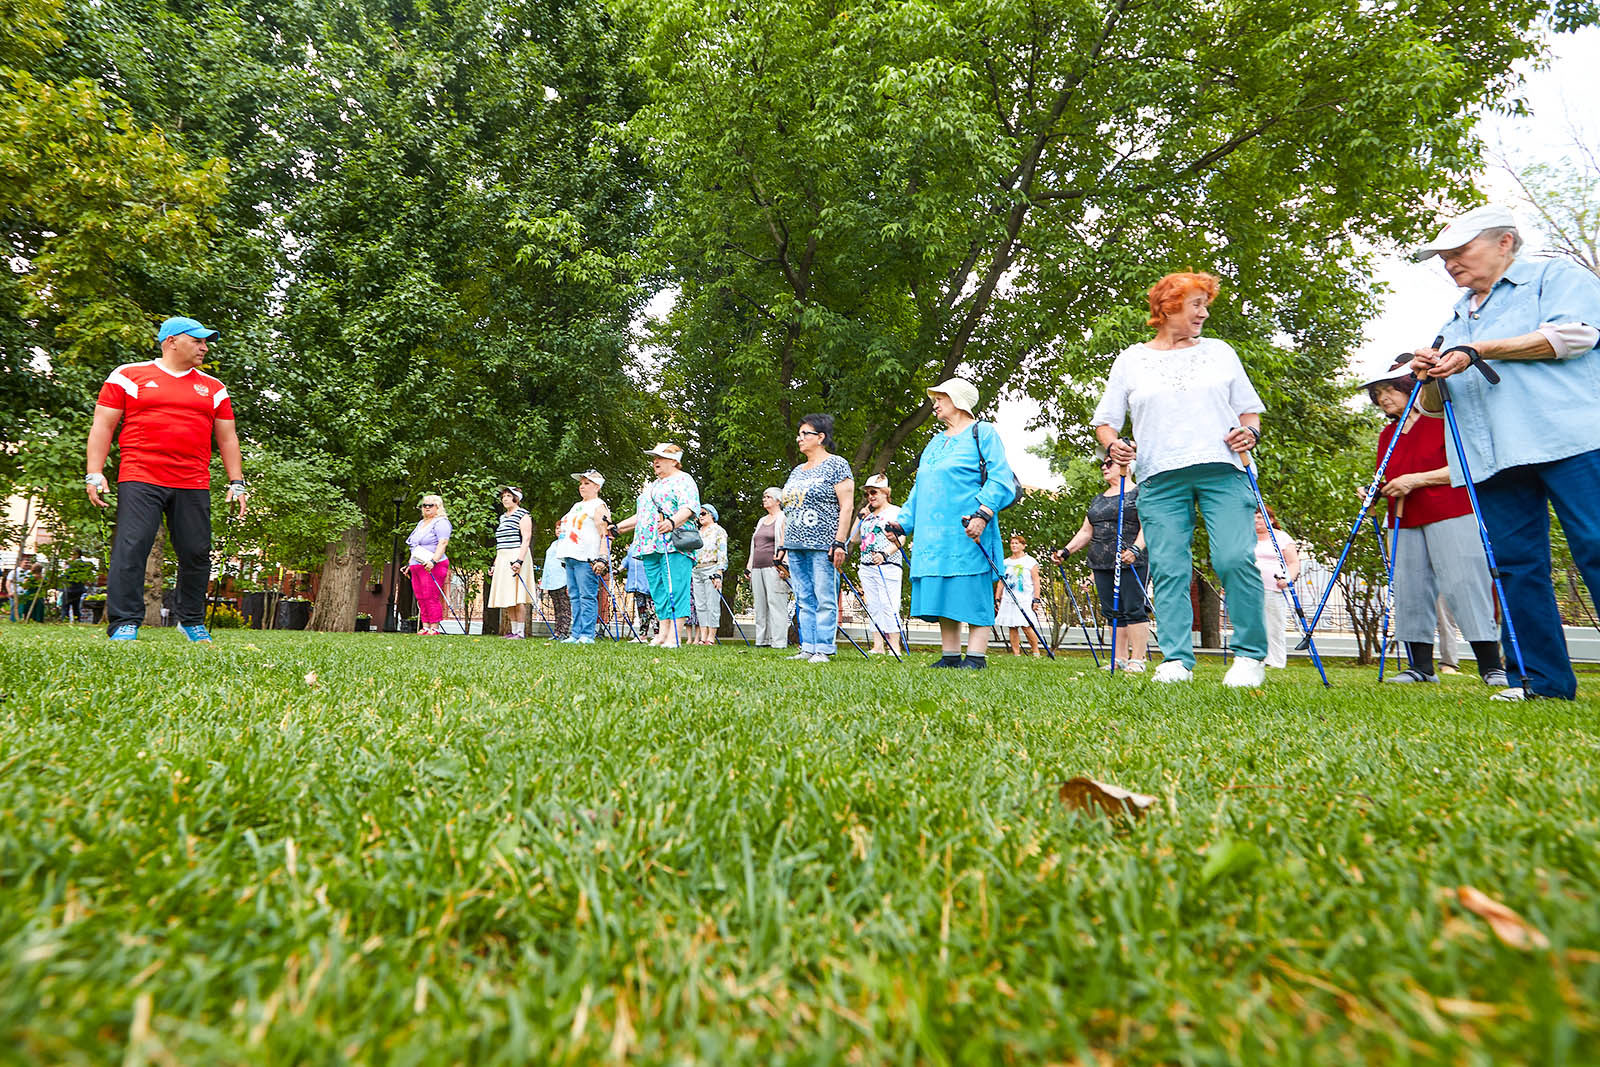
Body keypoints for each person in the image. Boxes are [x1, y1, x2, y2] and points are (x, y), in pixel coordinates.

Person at [1407, 205, 1600, 701]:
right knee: (1515, 565)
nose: (1449, 264)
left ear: (1505, 243)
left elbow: (1574, 335)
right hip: (1491, 454)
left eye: (1459, 251)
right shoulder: (1455, 317)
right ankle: (1540, 681)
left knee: (1596, 546)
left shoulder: (1553, 276)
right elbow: (1431, 408)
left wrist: (1481, 349)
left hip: (1570, 439)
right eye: (1443, 257)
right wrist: (1429, 376)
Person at [1092, 272, 1269, 687]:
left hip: (1223, 469)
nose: (1204, 313)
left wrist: (1251, 433)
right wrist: (1113, 445)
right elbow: (1106, 422)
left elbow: (1249, 412)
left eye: (1206, 304)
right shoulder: (1131, 360)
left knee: (1233, 558)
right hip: (1159, 476)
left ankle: (1249, 656)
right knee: (1169, 567)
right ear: (1168, 306)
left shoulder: (1220, 352)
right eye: (1196, 304)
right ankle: (1176, 659)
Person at [85, 316, 248, 642]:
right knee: (132, 549)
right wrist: (95, 472)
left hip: (193, 480)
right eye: (198, 341)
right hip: (140, 476)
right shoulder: (128, 376)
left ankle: (191, 621)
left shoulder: (214, 388)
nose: (204, 347)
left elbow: (228, 439)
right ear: (171, 340)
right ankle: (124, 623)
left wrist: (237, 482)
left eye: (205, 342)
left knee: (197, 552)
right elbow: (103, 425)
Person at [1364, 366, 1507, 687]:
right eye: (1377, 394)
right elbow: (1387, 476)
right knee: (1409, 587)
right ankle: (1420, 668)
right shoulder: (1387, 434)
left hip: (1451, 510)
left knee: (1465, 584)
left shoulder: (1442, 420)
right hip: (1403, 518)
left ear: (1411, 388)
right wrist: (1374, 492)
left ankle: (1491, 666)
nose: (1382, 398)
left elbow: (1467, 465)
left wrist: (1415, 480)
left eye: (1390, 390)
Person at [892, 378, 1017, 669]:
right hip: (932, 534)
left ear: (958, 400)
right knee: (944, 589)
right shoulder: (936, 441)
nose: (934, 404)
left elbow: (1001, 476)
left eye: (940, 398)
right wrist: (902, 523)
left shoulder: (982, 432)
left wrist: (983, 514)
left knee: (971, 588)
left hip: (967, 527)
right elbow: (920, 487)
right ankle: (950, 656)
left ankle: (975, 656)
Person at [1052, 456, 1151, 671]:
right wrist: (1066, 551)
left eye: (1109, 464)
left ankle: (1138, 660)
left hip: (1131, 560)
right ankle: (1120, 659)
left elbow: (1148, 527)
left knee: (1133, 608)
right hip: (1101, 560)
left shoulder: (1139, 494)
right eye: (1102, 464)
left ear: (1126, 466)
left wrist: (1135, 549)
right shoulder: (1098, 499)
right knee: (1112, 611)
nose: (1103, 467)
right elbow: (1086, 531)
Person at [779, 414, 855, 663]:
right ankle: (808, 647)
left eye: (805, 434)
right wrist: (782, 544)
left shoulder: (837, 465)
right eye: (798, 434)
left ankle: (824, 648)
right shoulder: (796, 472)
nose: (799, 439)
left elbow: (846, 507)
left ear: (820, 437)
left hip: (824, 543)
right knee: (803, 597)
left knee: (824, 597)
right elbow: (787, 510)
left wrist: (840, 541)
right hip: (795, 542)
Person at [613, 442, 700, 648]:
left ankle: (675, 635)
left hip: (673, 543)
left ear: (674, 461)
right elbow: (642, 515)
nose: (655, 461)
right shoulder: (652, 485)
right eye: (654, 458)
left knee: (676, 587)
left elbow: (688, 507)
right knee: (658, 589)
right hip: (648, 544)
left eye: (660, 457)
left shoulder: (684, 480)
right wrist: (617, 528)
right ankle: (662, 633)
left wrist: (671, 522)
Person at [555, 470, 610, 644]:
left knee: (587, 595)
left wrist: (602, 557)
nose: (582, 486)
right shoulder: (576, 505)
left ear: (597, 487)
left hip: (586, 556)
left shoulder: (599, 505)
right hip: (570, 555)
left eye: (587, 483)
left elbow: (605, 533)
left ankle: (587, 634)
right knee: (574, 596)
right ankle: (576, 633)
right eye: (581, 483)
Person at [851, 474, 905, 655]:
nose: (870, 497)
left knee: (889, 604)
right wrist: (860, 518)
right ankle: (878, 645)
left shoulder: (895, 512)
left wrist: (885, 553)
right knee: (874, 605)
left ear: (885, 493)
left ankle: (894, 646)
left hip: (888, 564)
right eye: (867, 494)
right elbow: (855, 538)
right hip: (867, 565)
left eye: (873, 492)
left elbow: (901, 539)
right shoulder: (867, 516)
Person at [1252, 505, 1302, 670]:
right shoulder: (1246, 537)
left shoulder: (1281, 538)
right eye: (1254, 517)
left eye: (1260, 517)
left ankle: (1276, 661)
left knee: (1274, 625)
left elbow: (1294, 563)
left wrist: (1288, 579)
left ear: (1271, 520)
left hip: (1273, 588)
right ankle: (1255, 658)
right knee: (1253, 625)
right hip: (1250, 588)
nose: (1256, 520)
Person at [747, 487, 792, 650]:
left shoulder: (783, 518)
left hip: (774, 567)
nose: (764, 499)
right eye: (763, 497)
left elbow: (785, 543)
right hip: (758, 567)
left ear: (778, 501)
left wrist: (784, 566)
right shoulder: (761, 520)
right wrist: (749, 567)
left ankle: (779, 641)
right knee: (760, 605)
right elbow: (755, 545)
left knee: (776, 603)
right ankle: (762, 640)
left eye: (768, 497)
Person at [487, 486, 534, 638]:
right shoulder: (502, 517)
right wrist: (495, 564)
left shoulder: (523, 515)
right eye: (503, 496)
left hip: (517, 555)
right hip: (503, 556)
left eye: (509, 496)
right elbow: (500, 543)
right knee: (508, 595)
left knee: (518, 595)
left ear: (517, 498)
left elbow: (526, 538)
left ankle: (520, 632)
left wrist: (519, 560)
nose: (505, 499)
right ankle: (513, 630)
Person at [406, 495, 453, 635]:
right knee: (420, 596)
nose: (426, 507)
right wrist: (409, 564)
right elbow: (414, 546)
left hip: (433, 564)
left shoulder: (441, 522)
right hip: (417, 564)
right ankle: (425, 626)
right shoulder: (421, 524)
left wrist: (433, 561)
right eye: (424, 505)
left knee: (430, 595)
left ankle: (434, 627)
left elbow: (443, 542)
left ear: (438, 507)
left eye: (430, 505)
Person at [995, 533, 1044, 656]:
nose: (1014, 545)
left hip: (1024, 598)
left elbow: (1036, 581)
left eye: (1017, 543)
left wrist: (1036, 599)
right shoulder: (1005, 562)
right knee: (1012, 626)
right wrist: (997, 598)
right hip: (1008, 598)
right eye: (1012, 543)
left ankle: (1036, 651)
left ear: (1023, 546)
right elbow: (1001, 581)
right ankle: (1016, 653)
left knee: (1026, 625)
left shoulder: (1030, 561)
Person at [689, 504, 728, 645]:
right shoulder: (697, 532)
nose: (700, 516)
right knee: (700, 604)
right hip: (696, 569)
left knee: (712, 603)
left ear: (712, 514)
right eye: (699, 514)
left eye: (703, 513)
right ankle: (703, 636)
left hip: (712, 567)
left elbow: (722, 552)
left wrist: (719, 571)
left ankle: (711, 637)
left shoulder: (718, 530)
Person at [624, 539, 655, 641]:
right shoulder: (633, 545)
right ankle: (642, 635)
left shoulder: (650, 541)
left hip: (649, 582)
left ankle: (658, 633)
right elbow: (627, 559)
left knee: (653, 610)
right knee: (641, 610)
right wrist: (618, 569)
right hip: (637, 583)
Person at [540, 538, 571, 639]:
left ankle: (564, 632)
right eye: (557, 528)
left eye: (561, 528)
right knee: (557, 607)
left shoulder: (568, 542)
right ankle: (557, 632)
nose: (558, 530)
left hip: (563, 579)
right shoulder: (553, 543)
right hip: (553, 580)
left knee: (564, 607)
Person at [61, 550, 96, 623]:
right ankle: (77, 620)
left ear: (77, 555)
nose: (71, 557)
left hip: (70, 589)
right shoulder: (84, 565)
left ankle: (65, 621)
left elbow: (67, 577)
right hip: (79, 589)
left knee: (65, 607)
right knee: (76, 607)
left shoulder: (72, 565)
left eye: (72, 555)